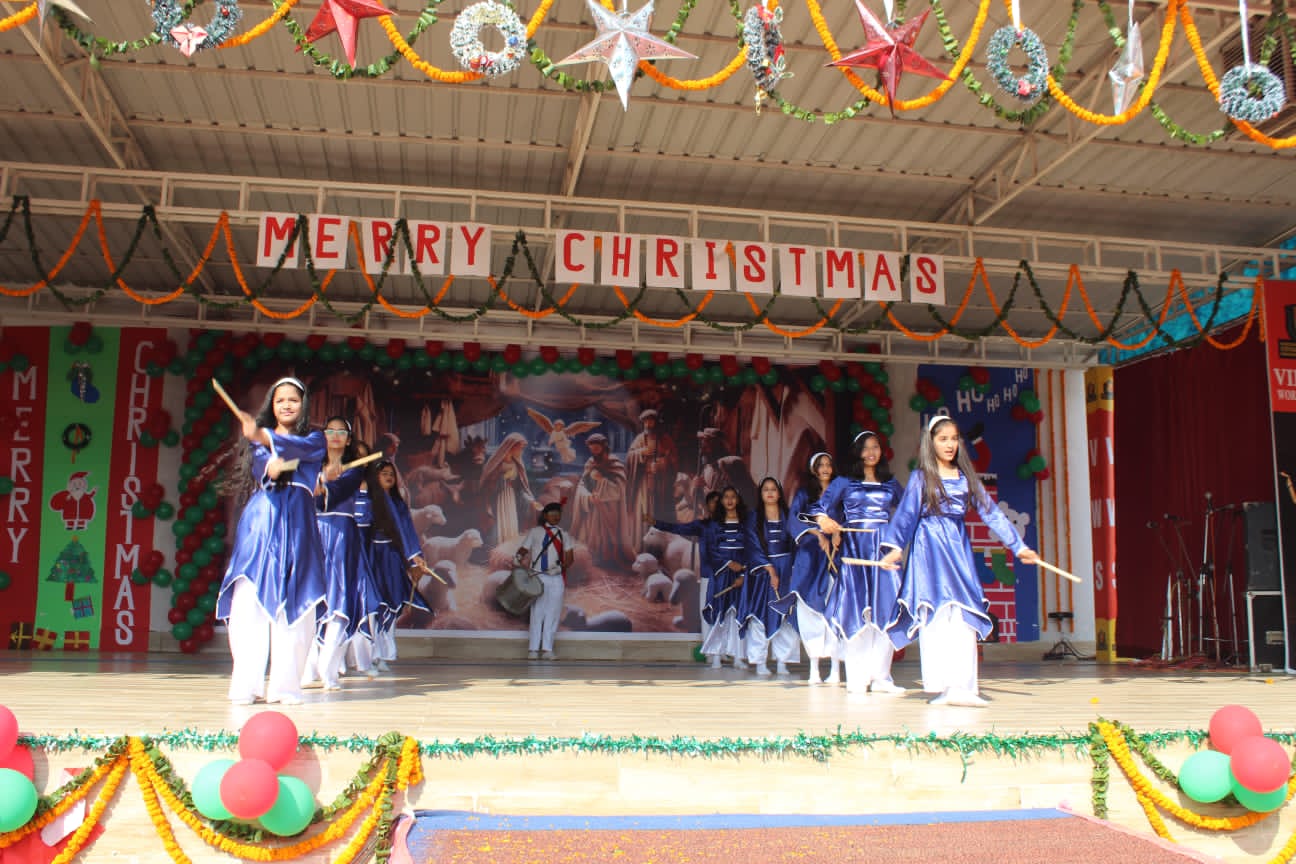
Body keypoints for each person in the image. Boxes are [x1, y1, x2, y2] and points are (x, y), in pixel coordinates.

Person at [878, 415, 1039, 707]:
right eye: (943, 439)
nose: (950, 444)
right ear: (931, 443)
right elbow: (906, 515)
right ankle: (944, 687)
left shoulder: (966, 478)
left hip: (957, 550)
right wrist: (895, 548)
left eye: (954, 439)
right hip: (928, 550)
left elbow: (992, 513)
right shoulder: (921, 477)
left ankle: (964, 687)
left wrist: (1018, 547)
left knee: (963, 616)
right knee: (935, 616)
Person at [216, 377, 327, 706]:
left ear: (303, 405)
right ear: (272, 406)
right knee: (249, 601)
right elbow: (263, 468)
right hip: (263, 521)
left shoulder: (315, 439)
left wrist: (263, 436)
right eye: (280, 400)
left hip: (299, 524)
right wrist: (271, 467)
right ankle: (245, 685)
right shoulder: (259, 443)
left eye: (293, 399)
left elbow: (298, 451)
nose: (287, 405)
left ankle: (285, 687)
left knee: (296, 604)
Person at [812, 433, 904, 694]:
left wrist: (900, 541)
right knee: (856, 609)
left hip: (883, 551)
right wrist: (823, 520)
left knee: (885, 610)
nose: (871, 452)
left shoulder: (890, 483)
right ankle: (856, 677)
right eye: (865, 448)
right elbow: (819, 508)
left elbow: (908, 511)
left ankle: (882, 677)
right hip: (856, 550)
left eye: (876, 447)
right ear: (857, 452)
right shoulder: (844, 482)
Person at [305, 417, 383, 690]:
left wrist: (323, 486)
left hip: (341, 535)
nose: (335, 435)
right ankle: (307, 669)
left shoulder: (354, 471)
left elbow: (334, 494)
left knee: (340, 599)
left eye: (341, 432)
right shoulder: (311, 466)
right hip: (312, 534)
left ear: (348, 439)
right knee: (309, 600)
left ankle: (328, 668)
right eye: (330, 431)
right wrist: (316, 480)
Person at [775, 452, 842, 685]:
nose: (825, 468)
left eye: (828, 464)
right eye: (820, 465)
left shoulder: (839, 494)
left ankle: (835, 668)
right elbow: (794, 519)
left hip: (833, 559)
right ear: (813, 469)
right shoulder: (804, 494)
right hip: (809, 558)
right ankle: (814, 667)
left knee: (834, 611)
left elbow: (845, 519)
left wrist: (837, 533)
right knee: (809, 612)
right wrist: (816, 533)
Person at [369, 459, 431, 673]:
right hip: (372, 557)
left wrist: (415, 557)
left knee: (392, 603)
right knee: (374, 606)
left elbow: (408, 533)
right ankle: (371, 655)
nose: (388, 477)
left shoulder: (398, 504)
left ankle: (384, 654)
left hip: (392, 557)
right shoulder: (368, 500)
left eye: (391, 474)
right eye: (383, 473)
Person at [740, 477, 800, 676]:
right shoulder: (753, 517)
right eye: (766, 489)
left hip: (787, 570)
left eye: (773, 489)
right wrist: (770, 570)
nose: (770, 492)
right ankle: (760, 662)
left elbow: (797, 543)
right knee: (760, 616)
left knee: (786, 616)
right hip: (763, 572)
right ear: (761, 494)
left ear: (779, 493)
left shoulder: (789, 515)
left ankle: (783, 661)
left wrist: (794, 570)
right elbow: (752, 546)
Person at [650, 490, 721, 647]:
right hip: (703, 568)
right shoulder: (702, 524)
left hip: (721, 570)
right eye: (711, 504)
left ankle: (716, 636)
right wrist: (656, 523)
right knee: (696, 596)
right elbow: (678, 529)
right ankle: (694, 625)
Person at [516, 501, 573, 660]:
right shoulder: (535, 532)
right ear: (545, 515)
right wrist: (518, 558)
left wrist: (560, 568)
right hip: (538, 576)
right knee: (537, 612)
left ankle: (547, 649)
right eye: (552, 513)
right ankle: (533, 649)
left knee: (553, 612)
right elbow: (523, 549)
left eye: (558, 514)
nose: (556, 517)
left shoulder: (563, 534)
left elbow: (570, 558)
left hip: (556, 578)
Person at [699, 486, 748, 669]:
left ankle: (738, 657)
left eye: (733, 496)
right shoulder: (715, 525)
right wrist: (727, 563)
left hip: (739, 575)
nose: (729, 500)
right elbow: (712, 551)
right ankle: (716, 657)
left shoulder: (745, 524)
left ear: (738, 500)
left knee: (737, 615)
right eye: (726, 497)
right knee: (718, 614)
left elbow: (749, 550)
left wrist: (742, 573)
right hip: (720, 575)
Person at [626, 409, 678, 528]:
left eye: (650, 421)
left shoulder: (665, 439)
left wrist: (662, 463)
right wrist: (641, 452)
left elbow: (673, 459)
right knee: (645, 508)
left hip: (662, 482)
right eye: (645, 422)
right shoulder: (640, 439)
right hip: (644, 482)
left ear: (656, 422)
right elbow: (630, 456)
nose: (648, 424)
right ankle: (645, 531)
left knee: (660, 509)